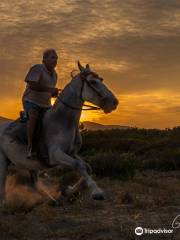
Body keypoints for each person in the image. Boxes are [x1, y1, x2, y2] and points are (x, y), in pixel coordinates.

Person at [22, 49, 59, 159]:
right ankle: (30, 148)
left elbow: (49, 92)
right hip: (31, 101)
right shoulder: (37, 68)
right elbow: (32, 85)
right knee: (33, 116)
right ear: (44, 59)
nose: (55, 60)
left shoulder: (55, 75)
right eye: (52, 57)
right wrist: (50, 90)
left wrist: (54, 94)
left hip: (46, 104)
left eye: (56, 58)